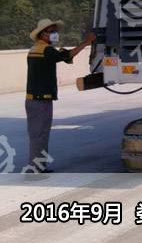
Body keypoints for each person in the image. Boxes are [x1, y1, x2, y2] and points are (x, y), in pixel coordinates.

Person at [25, 19, 96, 174]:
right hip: (40, 100)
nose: (54, 34)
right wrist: (87, 42)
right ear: (41, 34)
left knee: (39, 135)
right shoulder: (45, 50)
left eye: (54, 31)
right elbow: (67, 55)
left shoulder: (37, 49)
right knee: (40, 136)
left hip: (35, 99)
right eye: (50, 31)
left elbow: (62, 56)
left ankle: (38, 168)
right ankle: (35, 170)